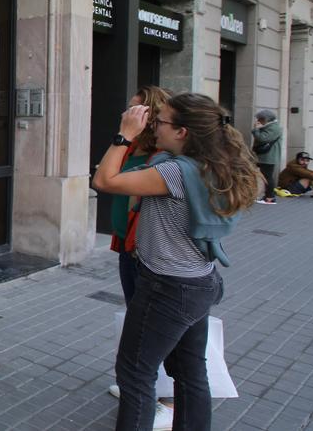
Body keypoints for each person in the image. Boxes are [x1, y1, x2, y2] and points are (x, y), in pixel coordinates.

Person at [93, 93, 257, 431]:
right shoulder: (212, 166)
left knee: (135, 374)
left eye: (161, 121)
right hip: (199, 281)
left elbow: (104, 180)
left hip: (167, 288)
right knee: (190, 371)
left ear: (182, 131)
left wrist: (124, 134)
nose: (155, 125)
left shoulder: (175, 173)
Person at [103, 86, 175, 429]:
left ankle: (159, 400)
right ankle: (145, 390)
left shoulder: (162, 158)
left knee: (149, 331)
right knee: (136, 321)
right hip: (126, 247)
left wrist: (122, 135)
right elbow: (104, 177)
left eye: (136, 111)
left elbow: (105, 181)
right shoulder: (132, 147)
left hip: (146, 254)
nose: (127, 115)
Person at [250, 109, 282, 204]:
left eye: (260, 119)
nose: (258, 121)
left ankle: (270, 197)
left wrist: (256, 129)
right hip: (262, 156)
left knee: (267, 176)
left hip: (268, 157)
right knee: (256, 173)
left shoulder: (274, 128)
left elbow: (263, 138)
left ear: (266, 119)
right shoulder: (270, 126)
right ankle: (260, 195)